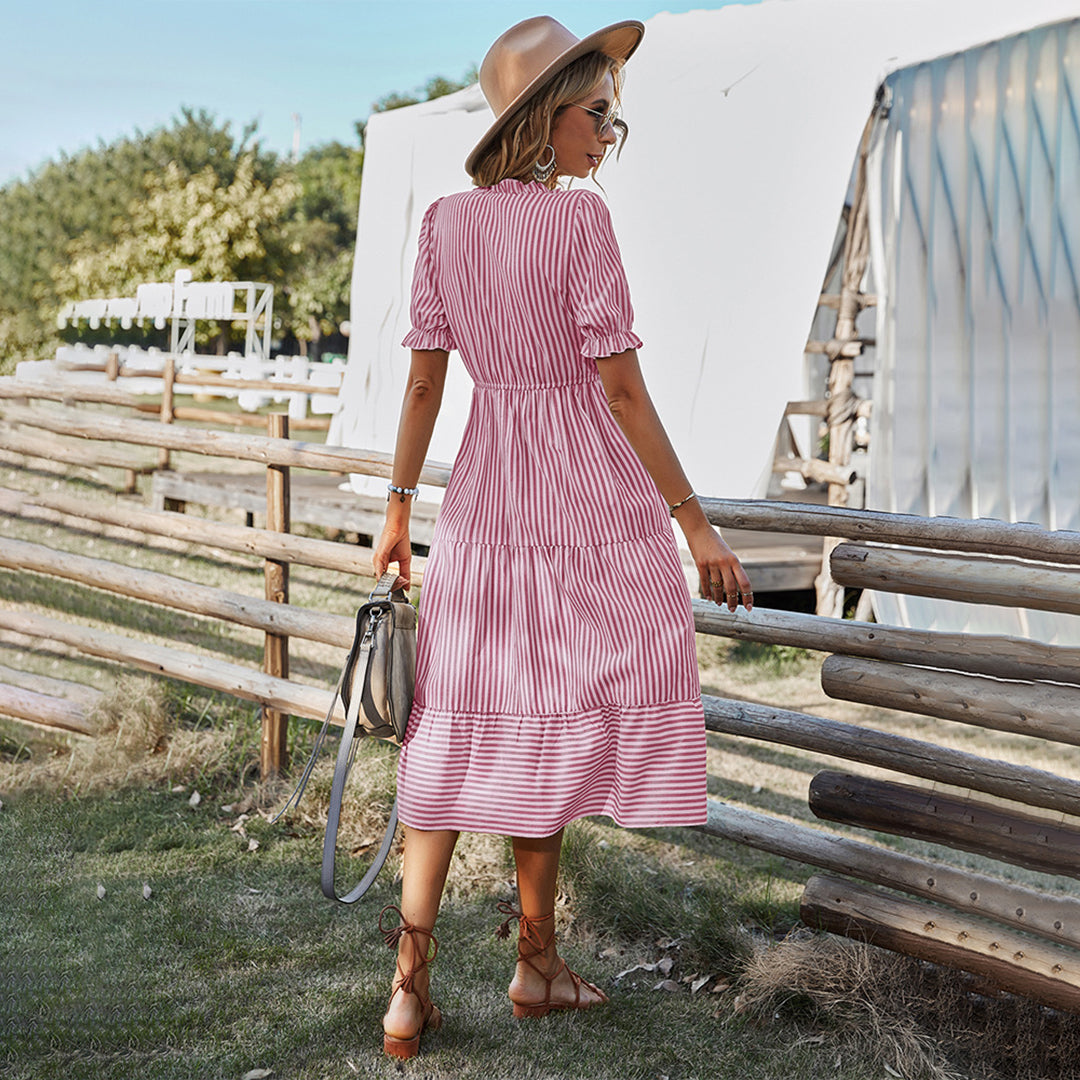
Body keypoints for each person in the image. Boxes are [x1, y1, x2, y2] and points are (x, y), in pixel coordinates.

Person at [372, 15, 753, 1059]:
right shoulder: (580, 225)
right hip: (581, 495)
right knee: (557, 706)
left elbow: (421, 378)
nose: (607, 135)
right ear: (545, 116)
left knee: (464, 721)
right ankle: (531, 962)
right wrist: (694, 522)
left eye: (613, 120)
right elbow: (621, 390)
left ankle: (423, 988)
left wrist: (400, 508)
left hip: (485, 496)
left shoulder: (446, 222)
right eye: (598, 114)